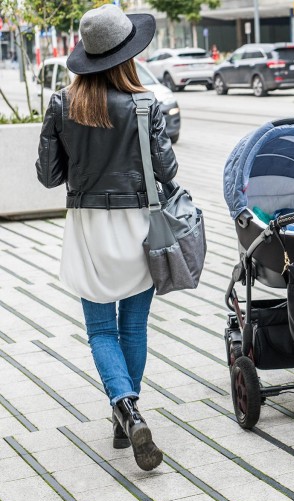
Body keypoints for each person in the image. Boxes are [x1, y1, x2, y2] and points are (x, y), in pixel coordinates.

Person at [36, 4, 178, 471]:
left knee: (100, 330)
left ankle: (125, 411)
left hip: (89, 230)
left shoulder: (62, 104)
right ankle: (126, 416)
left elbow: (48, 176)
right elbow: (168, 171)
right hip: (140, 228)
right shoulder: (145, 104)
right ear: (127, 56)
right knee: (133, 327)